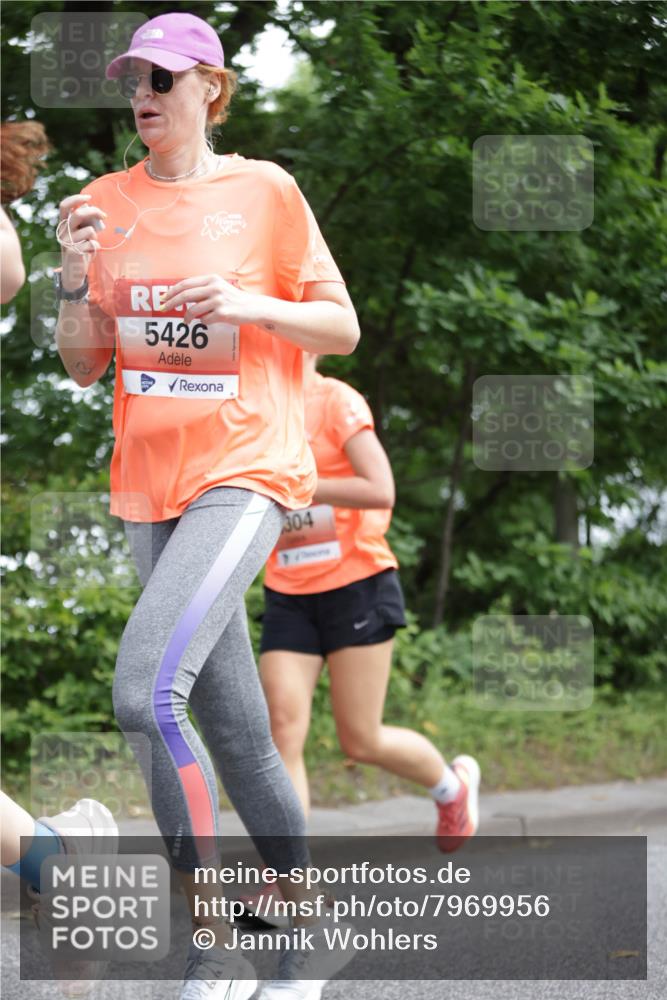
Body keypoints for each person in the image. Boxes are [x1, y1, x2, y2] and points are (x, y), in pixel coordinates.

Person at [53, 12, 359, 1000]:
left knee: (145, 693)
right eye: (132, 79)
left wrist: (248, 306)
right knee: (232, 729)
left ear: (209, 91)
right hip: (150, 482)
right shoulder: (104, 202)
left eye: (163, 78)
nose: (142, 93)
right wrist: (69, 276)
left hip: (248, 467)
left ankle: (216, 944)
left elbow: (340, 326)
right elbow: (80, 364)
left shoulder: (264, 190)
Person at [252, 353, 480, 920]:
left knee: (362, 739)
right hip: (288, 589)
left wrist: (305, 484)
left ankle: (452, 789)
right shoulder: (250, 407)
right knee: (281, 730)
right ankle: (287, 884)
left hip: (357, 582)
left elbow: (380, 488)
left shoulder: (335, 400)